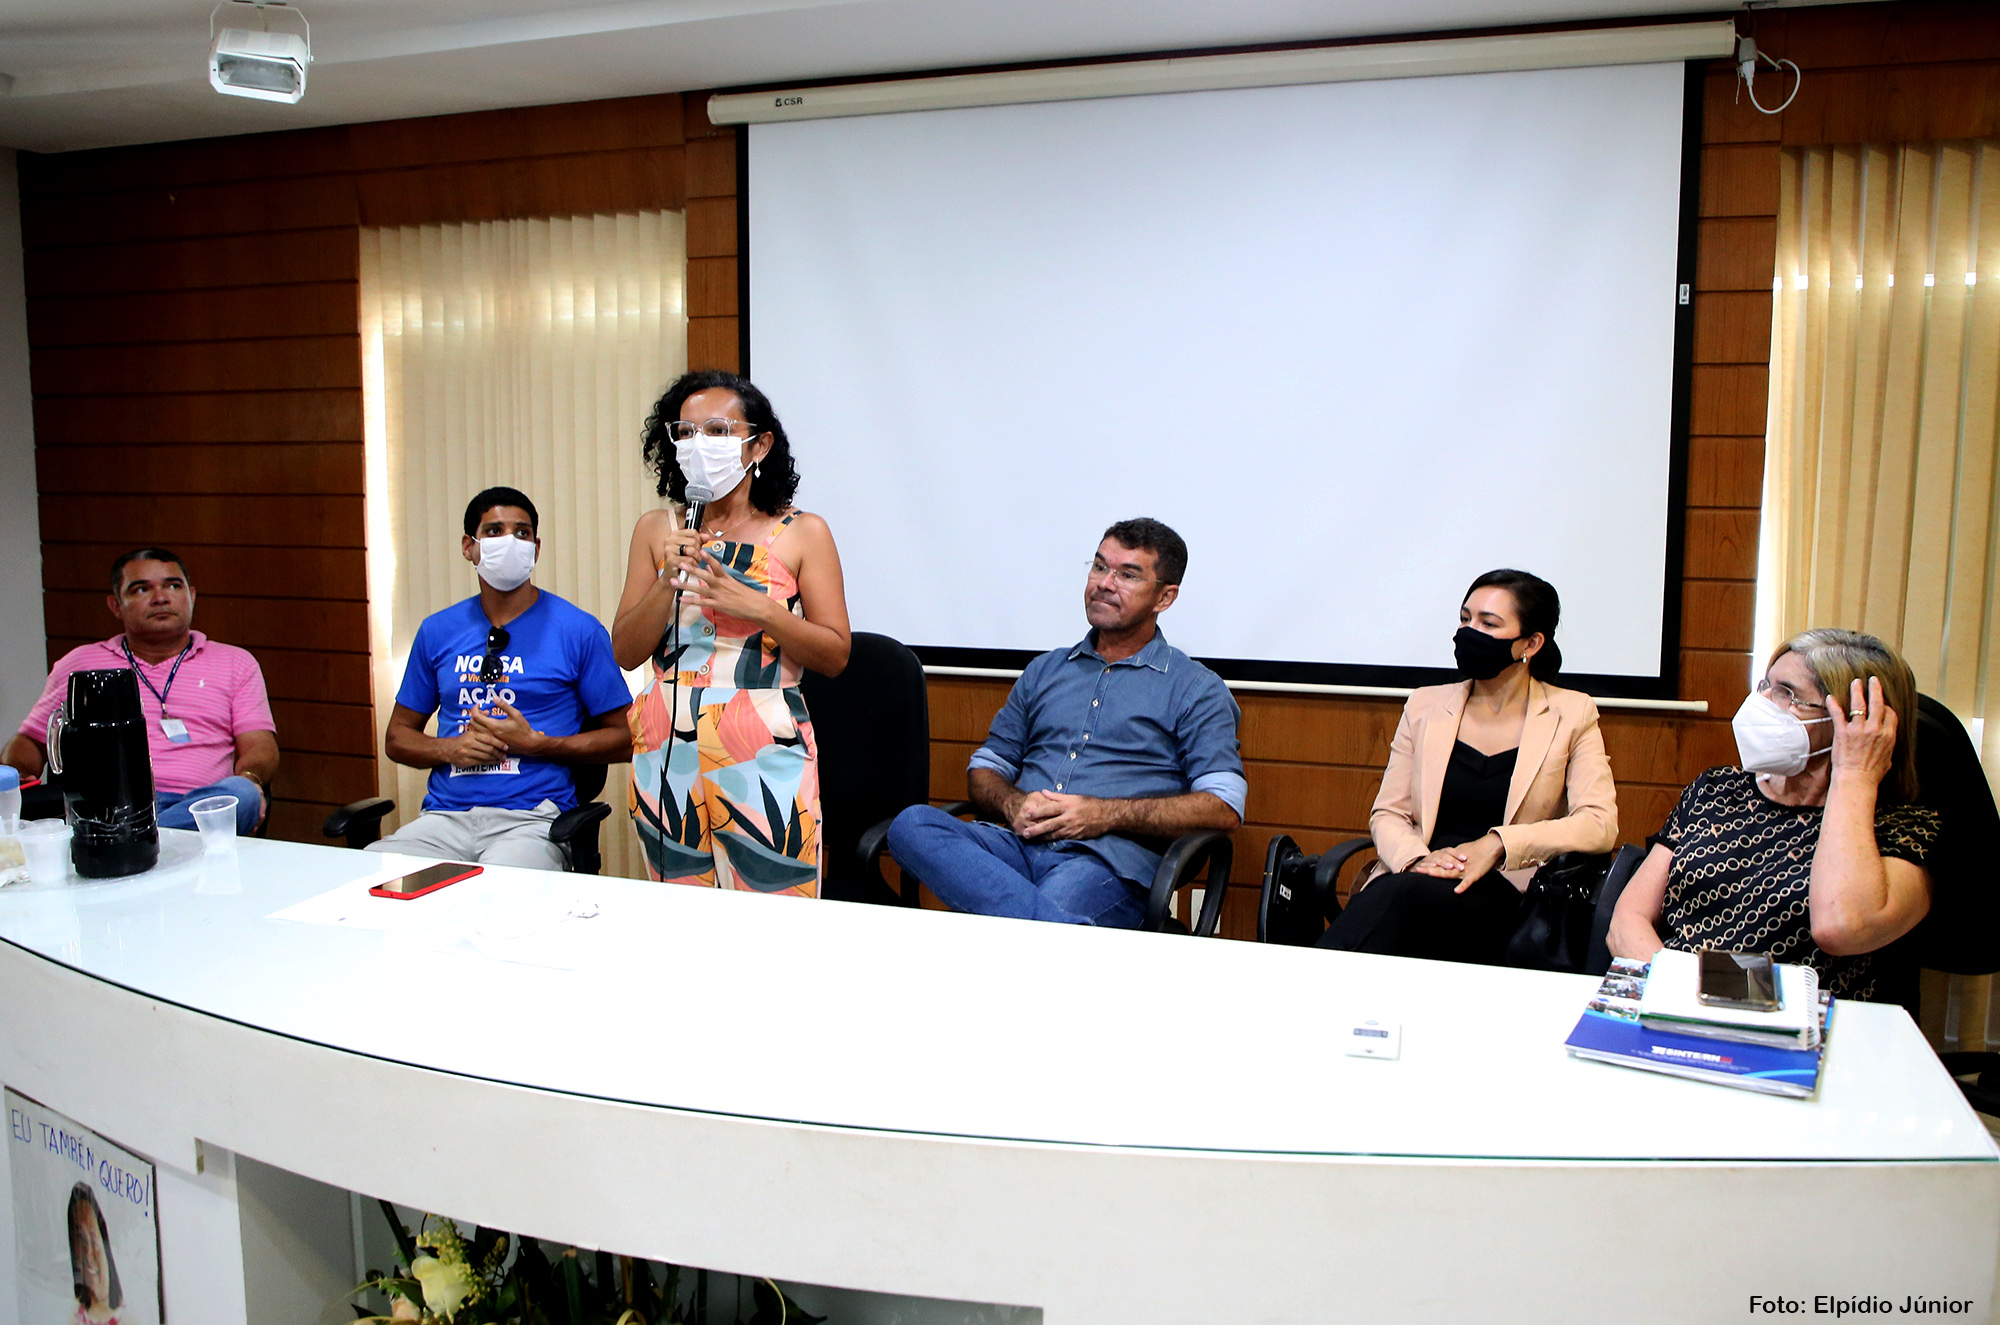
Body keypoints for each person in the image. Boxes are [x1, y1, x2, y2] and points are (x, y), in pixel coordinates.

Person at [886, 519, 1245, 927]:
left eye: (1128, 575)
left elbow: (1223, 806)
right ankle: (1054, 930)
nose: (1104, 584)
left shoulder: (1196, 688)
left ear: (1164, 597)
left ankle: (1041, 927)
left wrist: (1102, 814)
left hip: (1105, 865)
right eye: (1100, 567)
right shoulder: (1045, 670)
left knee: (1040, 911)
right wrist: (1012, 803)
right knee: (912, 825)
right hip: (1015, 847)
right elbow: (987, 768)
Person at [1608, 628, 1938, 1004]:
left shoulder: (1905, 827)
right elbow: (1627, 918)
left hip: (1798, 1022)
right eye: (1765, 684)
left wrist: (1854, 775)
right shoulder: (1716, 789)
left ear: (1851, 720)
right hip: (1673, 999)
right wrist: (1688, 996)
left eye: (1786, 693)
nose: (1761, 702)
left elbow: (1840, 928)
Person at [614, 371, 850, 895]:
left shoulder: (803, 531)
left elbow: (835, 654)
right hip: (663, 738)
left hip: (761, 739)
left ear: (759, 445)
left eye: (718, 431)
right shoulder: (657, 529)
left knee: (772, 908)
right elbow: (626, 651)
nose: (700, 444)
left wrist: (760, 609)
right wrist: (666, 580)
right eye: (686, 432)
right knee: (677, 908)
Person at [1318, 569, 1618, 962]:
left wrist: (1497, 844)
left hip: (1507, 892)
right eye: (1464, 619)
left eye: (1488, 623)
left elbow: (1599, 824)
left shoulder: (1572, 713)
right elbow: (1388, 813)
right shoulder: (1425, 706)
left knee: (1397, 902)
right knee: (1400, 896)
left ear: (1531, 643)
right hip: (1417, 875)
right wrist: (1418, 859)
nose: (1468, 632)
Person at [372, 487, 632, 870]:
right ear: (469, 546)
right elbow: (397, 738)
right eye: (494, 531)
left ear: (536, 549)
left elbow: (627, 739)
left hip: (531, 821)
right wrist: (450, 749)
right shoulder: (437, 631)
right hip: (443, 819)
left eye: (522, 533)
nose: (510, 541)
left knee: (498, 892)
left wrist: (539, 744)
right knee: (369, 879)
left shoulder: (578, 631)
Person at [6, 549, 277, 836]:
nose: (161, 598)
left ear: (192, 595)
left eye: (173, 586)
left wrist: (251, 777)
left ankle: (135, 839)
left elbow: (260, 745)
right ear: (116, 605)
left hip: (200, 803)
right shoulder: (80, 664)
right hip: (111, 805)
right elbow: (30, 741)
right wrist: (16, 776)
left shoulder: (235, 663)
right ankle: (152, 841)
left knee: (242, 794)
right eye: (141, 589)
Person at [68, 1181, 121, 1325]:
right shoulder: (73, 1319)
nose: (88, 1254)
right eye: (81, 1240)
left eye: (93, 1240)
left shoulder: (127, 1320)